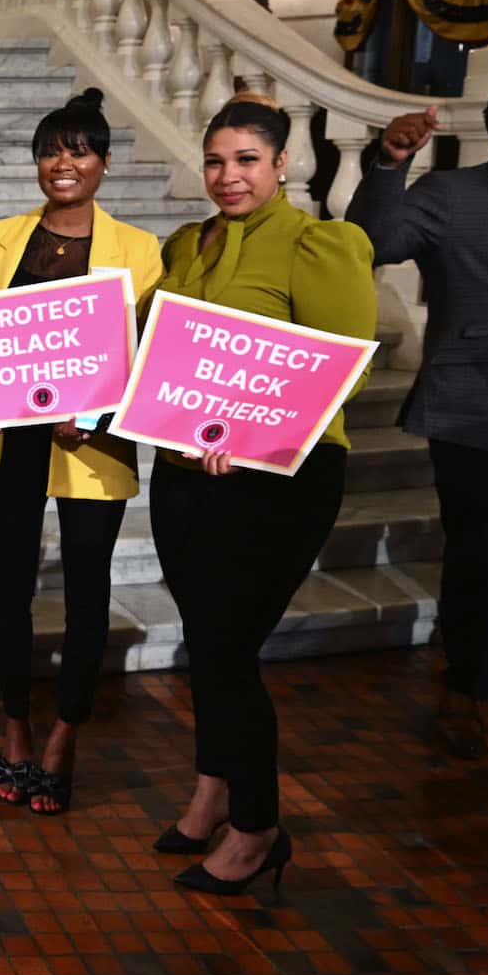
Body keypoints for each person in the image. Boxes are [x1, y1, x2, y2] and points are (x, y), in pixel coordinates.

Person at [150, 95, 374, 894]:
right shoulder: (186, 241)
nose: (228, 176)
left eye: (246, 160)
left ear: (283, 163)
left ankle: (258, 827)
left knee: (228, 649)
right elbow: (161, 353)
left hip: (283, 478)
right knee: (205, 637)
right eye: (215, 161)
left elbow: (342, 370)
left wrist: (247, 438)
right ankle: (213, 790)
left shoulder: (322, 243)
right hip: (184, 474)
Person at [0, 90, 163, 815]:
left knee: (87, 593)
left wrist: (98, 412)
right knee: (9, 590)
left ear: (105, 162)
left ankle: (64, 734)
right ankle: (16, 729)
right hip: (8, 444)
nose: (62, 163)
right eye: (50, 150)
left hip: (95, 444)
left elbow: (143, 356)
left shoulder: (141, 249)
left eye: (78, 150)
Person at [346, 74, 488, 761]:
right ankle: (465, 686)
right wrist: (390, 165)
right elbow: (374, 238)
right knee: (481, 555)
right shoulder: (455, 194)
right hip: (480, 407)